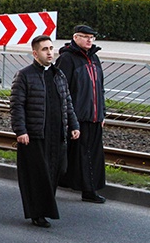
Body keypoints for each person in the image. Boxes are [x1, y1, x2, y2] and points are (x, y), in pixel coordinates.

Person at [11, 35, 80, 227]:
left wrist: (73, 125)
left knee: (55, 171)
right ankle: (37, 213)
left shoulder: (58, 75)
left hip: (56, 133)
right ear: (35, 53)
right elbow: (17, 106)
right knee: (37, 175)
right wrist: (20, 130)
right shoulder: (24, 75)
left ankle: (46, 208)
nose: (50, 52)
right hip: (35, 135)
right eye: (45, 49)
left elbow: (67, 102)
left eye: (51, 48)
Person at [57, 25, 107, 203]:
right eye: (85, 37)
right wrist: (69, 117)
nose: (89, 40)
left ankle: (87, 187)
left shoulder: (94, 58)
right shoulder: (67, 58)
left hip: (94, 116)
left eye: (91, 37)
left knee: (92, 154)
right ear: (75, 37)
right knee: (78, 154)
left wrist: (102, 113)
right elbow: (61, 89)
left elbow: (99, 88)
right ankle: (87, 190)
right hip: (78, 116)